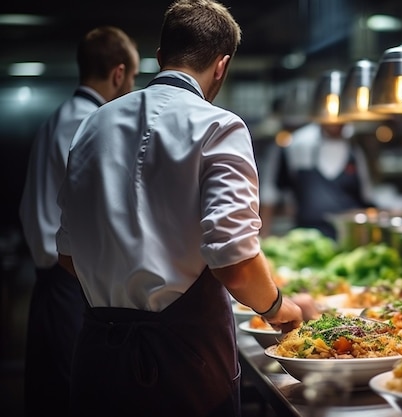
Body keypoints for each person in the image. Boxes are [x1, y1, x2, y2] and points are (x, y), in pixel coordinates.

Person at [55, 1, 304, 416]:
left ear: (159, 58)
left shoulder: (92, 124)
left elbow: (67, 255)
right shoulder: (219, 126)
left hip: (98, 361)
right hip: (184, 368)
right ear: (221, 65)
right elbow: (235, 263)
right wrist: (279, 307)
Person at [18, 25, 139, 417]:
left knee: (51, 392)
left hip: (52, 280)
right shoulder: (89, 125)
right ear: (118, 73)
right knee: (74, 398)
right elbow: (106, 213)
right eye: (133, 78)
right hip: (69, 282)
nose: (131, 86)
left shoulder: (59, 118)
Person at [259, 121, 376, 239]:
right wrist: (262, 237)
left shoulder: (355, 148)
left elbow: (367, 197)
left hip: (349, 235)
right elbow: (270, 194)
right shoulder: (299, 144)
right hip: (307, 237)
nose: (336, 123)